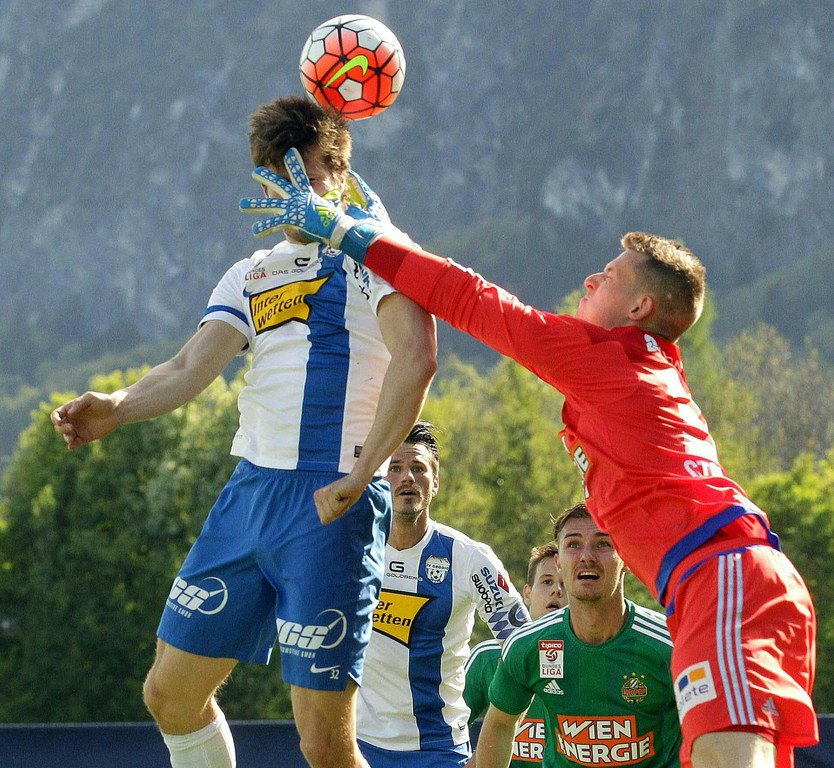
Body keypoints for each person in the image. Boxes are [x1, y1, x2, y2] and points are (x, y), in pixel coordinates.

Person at [245, 152, 818, 768]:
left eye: (609, 275)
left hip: (720, 574)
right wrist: (384, 238)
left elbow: (472, 299)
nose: (590, 279)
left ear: (639, 310)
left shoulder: (608, 358)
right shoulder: (642, 370)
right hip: (728, 579)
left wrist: (346, 232)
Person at [51, 97, 437, 768]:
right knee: (170, 694)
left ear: (341, 175)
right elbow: (188, 367)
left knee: (323, 743)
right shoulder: (251, 272)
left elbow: (418, 358)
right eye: (276, 176)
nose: (291, 190)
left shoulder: (378, 254)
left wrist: (361, 473)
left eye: (307, 173)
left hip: (331, 502)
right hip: (250, 496)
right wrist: (117, 406)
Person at [355, 421, 529, 768]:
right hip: (359, 745)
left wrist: (489, 750)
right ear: (377, 479)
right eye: (395, 468)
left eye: (418, 468)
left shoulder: (469, 558)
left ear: (435, 481)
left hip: (440, 749)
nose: (407, 477)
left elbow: (523, 648)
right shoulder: (351, 550)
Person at [474, 503, 681, 768]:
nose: (587, 556)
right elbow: (500, 724)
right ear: (559, 562)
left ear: (626, 557)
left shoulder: (670, 645)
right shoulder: (528, 645)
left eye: (603, 544)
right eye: (573, 544)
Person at [464, 542, 566, 767]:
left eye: (565, 583)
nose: (557, 590)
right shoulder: (488, 657)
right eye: (547, 581)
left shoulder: (587, 658)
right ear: (527, 593)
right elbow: (446, 728)